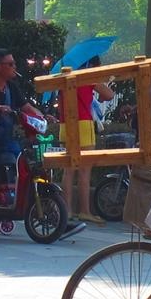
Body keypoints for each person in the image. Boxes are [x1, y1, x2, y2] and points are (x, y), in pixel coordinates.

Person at [0, 49, 48, 243]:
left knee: (34, 166)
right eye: (10, 64)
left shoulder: (12, 87)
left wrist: (42, 117)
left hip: (7, 141)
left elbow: (27, 107)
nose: (14, 67)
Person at [59, 56, 114, 225]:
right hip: (83, 125)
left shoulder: (64, 79)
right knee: (84, 171)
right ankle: (84, 211)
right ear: (91, 65)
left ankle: (66, 211)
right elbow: (109, 95)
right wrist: (106, 83)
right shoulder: (88, 77)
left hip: (65, 125)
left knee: (68, 171)